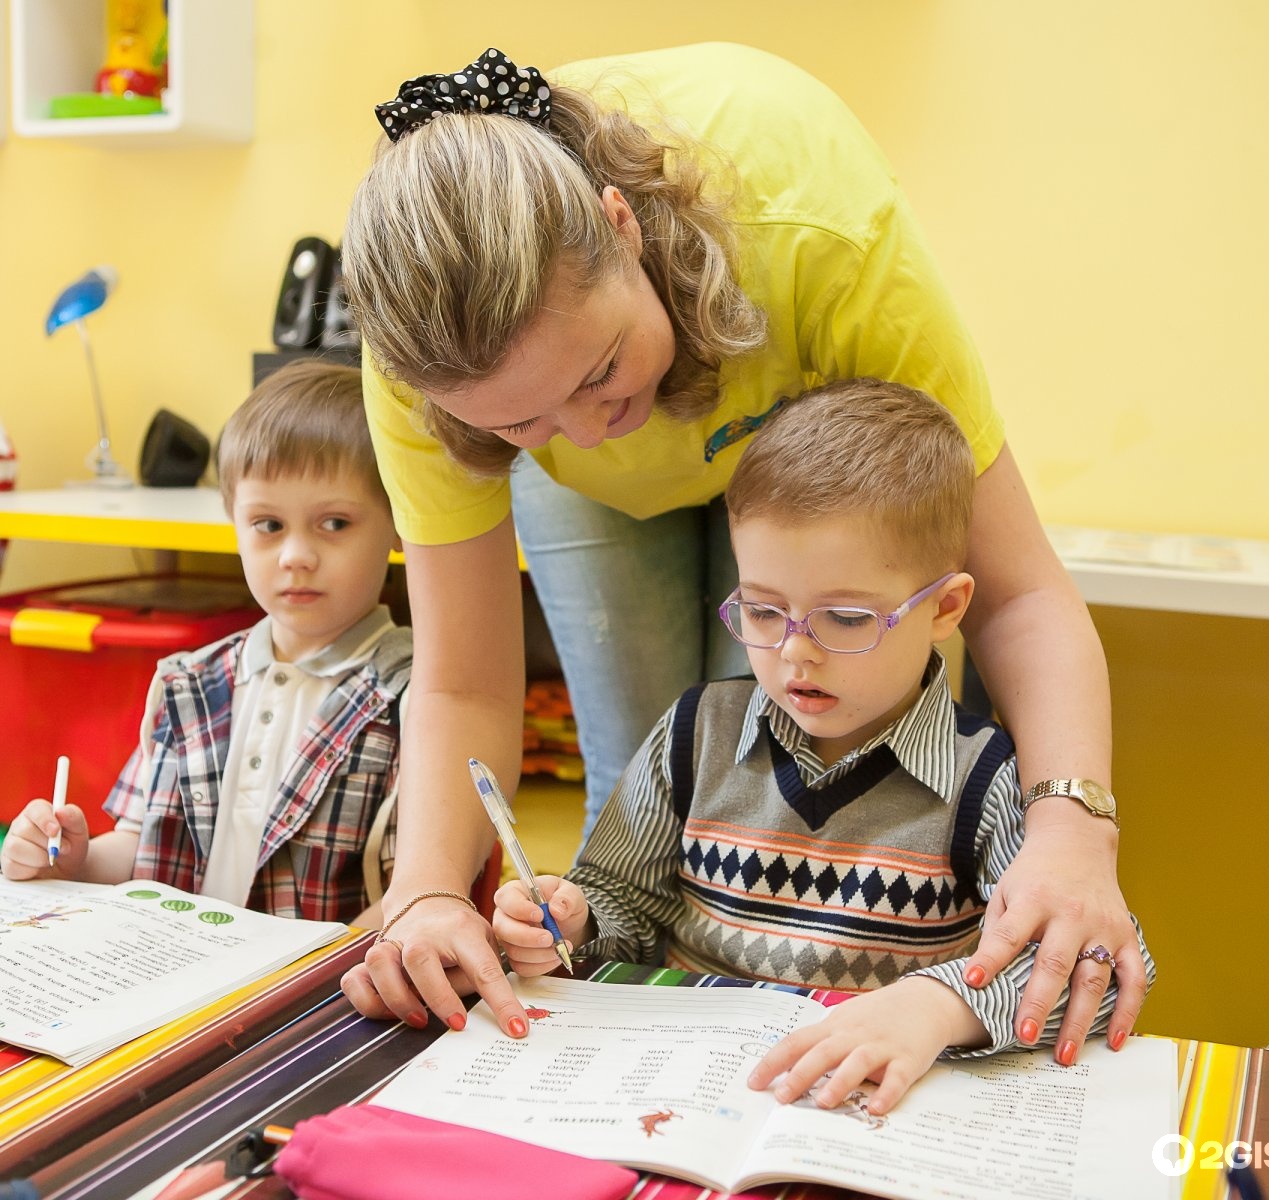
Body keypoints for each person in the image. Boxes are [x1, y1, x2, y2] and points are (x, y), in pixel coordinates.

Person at [340, 43, 1144, 1055]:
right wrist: (421, 894)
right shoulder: (429, 356)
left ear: (620, 227)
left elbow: (1020, 597)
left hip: (787, 384)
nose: (590, 437)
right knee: (657, 785)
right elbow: (464, 682)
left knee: (818, 753)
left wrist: (1071, 830)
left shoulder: (815, 223)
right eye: (519, 429)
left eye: (598, 374)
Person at [493, 378, 1154, 1114]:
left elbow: (1100, 972)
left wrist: (935, 1010)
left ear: (945, 608)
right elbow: (624, 910)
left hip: (869, 1118)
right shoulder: (691, 735)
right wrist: (571, 923)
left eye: (843, 618)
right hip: (683, 1099)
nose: (795, 654)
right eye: (764, 610)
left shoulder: (988, 780)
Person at [0, 360, 410, 926]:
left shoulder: (415, 698)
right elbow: (137, 850)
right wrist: (75, 860)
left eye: (334, 523)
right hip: (175, 975)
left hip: (317, 997)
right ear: (233, 521)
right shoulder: (185, 682)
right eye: (268, 525)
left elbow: (411, 898)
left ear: (398, 521)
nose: (295, 555)